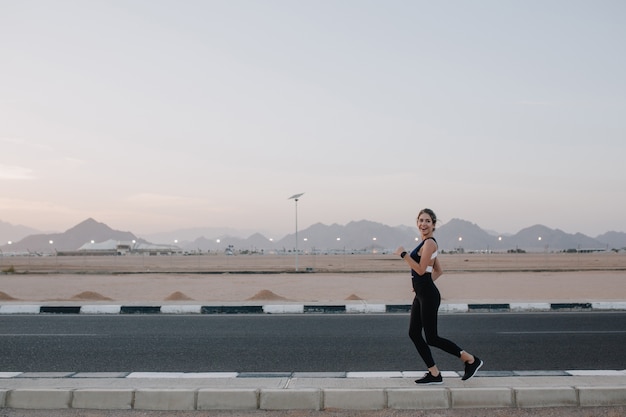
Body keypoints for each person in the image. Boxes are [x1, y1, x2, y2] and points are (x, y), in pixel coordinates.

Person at [395, 208, 483, 385]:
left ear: (433, 225)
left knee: (432, 337)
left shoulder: (429, 244)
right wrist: (421, 284)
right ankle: (434, 373)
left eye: (427, 221)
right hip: (423, 293)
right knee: (414, 333)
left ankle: (471, 360)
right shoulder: (425, 243)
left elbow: (420, 269)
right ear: (417, 223)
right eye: (421, 220)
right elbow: (438, 271)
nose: (423, 224)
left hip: (428, 295)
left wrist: (404, 255)